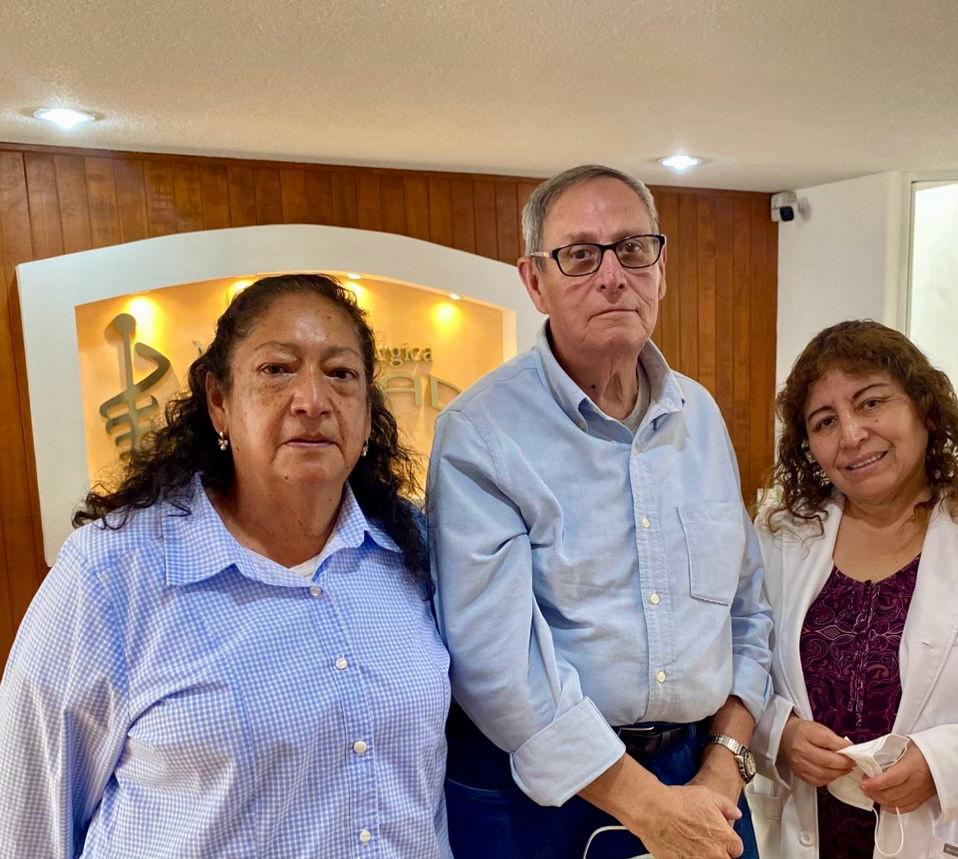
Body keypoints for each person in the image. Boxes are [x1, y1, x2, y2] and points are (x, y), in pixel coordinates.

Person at [0, 274, 451, 858]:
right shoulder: (113, 572)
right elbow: (27, 822)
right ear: (219, 402)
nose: (313, 401)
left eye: (341, 374)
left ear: (366, 413)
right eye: (277, 370)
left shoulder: (413, 549)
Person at [427, 164, 773, 859]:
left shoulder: (700, 416)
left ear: (661, 269)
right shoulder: (482, 431)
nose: (613, 276)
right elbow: (496, 665)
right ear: (535, 281)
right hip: (542, 795)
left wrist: (722, 770)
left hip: (702, 776)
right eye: (581, 255)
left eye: (634, 249)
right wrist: (651, 809)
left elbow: (747, 613)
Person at [749, 320, 958, 859]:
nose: (851, 435)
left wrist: (942, 763)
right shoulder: (781, 537)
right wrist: (781, 735)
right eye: (825, 421)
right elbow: (739, 661)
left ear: (924, 408)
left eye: (871, 403)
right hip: (806, 830)